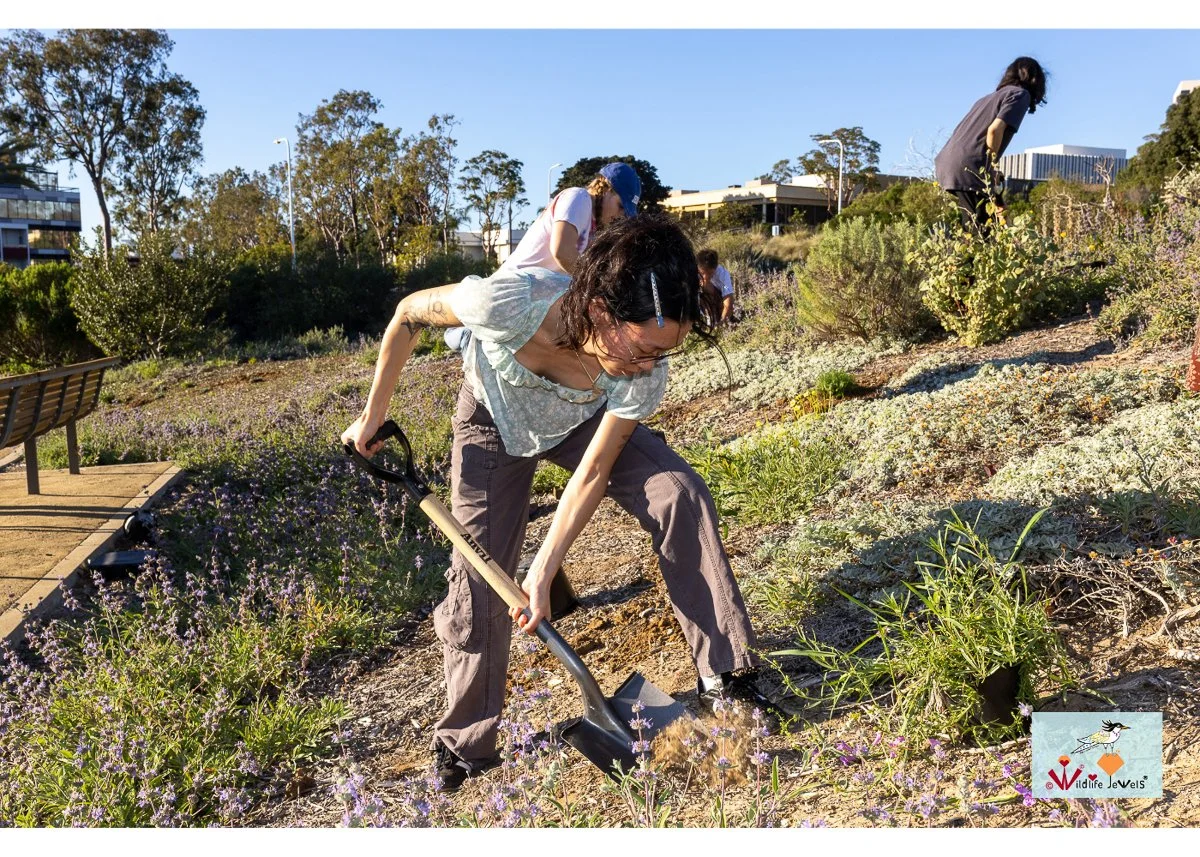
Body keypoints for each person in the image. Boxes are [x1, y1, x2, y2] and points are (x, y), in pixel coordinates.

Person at [342, 215, 763, 791]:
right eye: (644, 349)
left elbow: (593, 471)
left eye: (666, 353)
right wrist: (372, 413)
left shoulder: (644, 371)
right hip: (495, 420)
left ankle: (725, 678)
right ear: (599, 314)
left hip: (581, 423)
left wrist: (543, 569)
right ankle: (466, 742)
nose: (652, 367)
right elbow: (407, 314)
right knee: (477, 576)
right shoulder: (508, 302)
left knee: (677, 492)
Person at [444, 162, 641, 352]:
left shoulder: (593, 229)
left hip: (534, 295)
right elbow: (562, 252)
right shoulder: (579, 198)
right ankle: (467, 336)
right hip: (514, 289)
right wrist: (596, 288)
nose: (621, 216)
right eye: (620, 206)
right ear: (606, 189)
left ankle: (470, 334)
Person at [934, 57, 1048, 235]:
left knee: (979, 225)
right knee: (980, 233)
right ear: (1035, 81)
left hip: (949, 162)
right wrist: (992, 167)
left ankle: (959, 260)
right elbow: (994, 131)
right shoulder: (1020, 94)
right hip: (970, 165)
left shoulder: (987, 99)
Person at [697, 248, 735, 326]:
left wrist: (722, 321)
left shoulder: (723, 275)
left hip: (717, 301)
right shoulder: (691, 270)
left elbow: (728, 297)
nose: (705, 276)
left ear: (716, 267)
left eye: (710, 273)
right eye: (703, 273)